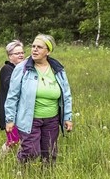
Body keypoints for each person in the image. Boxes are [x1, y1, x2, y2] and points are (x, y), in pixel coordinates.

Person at [4, 34, 73, 165]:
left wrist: (68, 117)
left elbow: (66, 94)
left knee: (49, 153)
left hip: (52, 119)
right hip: (30, 119)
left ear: (48, 51)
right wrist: (10, 119)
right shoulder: (22, 68)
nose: (34, 49)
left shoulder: (57, 69)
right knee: (31, 151)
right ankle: (20, 172)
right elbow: (12, 96)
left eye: (39, 47)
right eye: (33, 46)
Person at [0, 40, 25, 157]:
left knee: (23, 139)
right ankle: (1, 160)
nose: (21, 55)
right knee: (13, 140)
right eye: (17, 53)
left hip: (22, 111)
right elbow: (10, 85)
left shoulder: (23, 69)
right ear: (10, 56)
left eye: (22, 53)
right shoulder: (6, 69)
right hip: (9, 112)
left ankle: (20, 160)